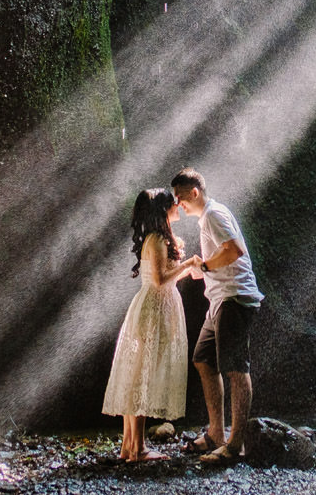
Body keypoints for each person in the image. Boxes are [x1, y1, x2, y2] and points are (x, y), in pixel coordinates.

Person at [171, 167, 264, 464]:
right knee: (203, 359)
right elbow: (221, 256)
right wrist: (203, 269)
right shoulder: (206, 218)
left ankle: (235, 445)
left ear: (194, 193)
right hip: (219, 300)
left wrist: (207, 267)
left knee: (236, 368)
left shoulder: (214, 214)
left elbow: (234, 250)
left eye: (180, 197)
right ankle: (216, 434)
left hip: (235, 298)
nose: (178, 203)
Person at [102, 188, 201, 461]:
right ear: (163, 210)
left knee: (137, 373)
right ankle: (138, 449)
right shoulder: (157, 239)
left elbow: (164, 278)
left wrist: (186, 270)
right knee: (142, 374)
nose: (178, 206)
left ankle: (129, 447)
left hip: (157, 307)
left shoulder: (157, 238)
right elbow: (159, 280)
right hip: (153, 312)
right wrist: (189, 262)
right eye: (173, 204)